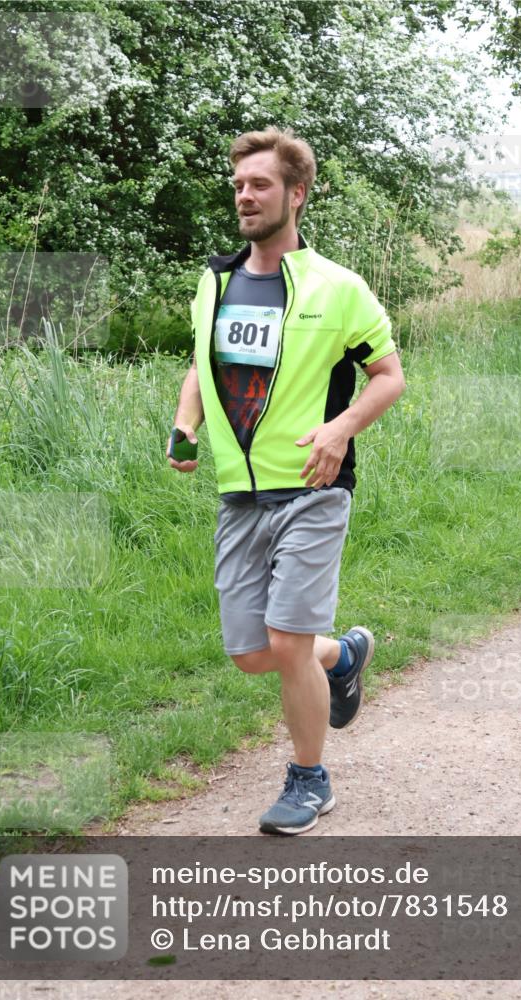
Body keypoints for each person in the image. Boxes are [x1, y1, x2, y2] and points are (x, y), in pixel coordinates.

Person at [167, 126, 405, 835]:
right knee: (250, 655)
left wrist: (339, 431)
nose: (245, 196)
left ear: (296, 194)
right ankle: (344, 655)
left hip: (312, 486)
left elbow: (387, 377)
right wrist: (185, 423)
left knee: (288, 640)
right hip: (237, 492)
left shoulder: (338, 289)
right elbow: (199, 364)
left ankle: (309, 779)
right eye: (238, 185)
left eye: (260, 184)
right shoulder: (215, 281)